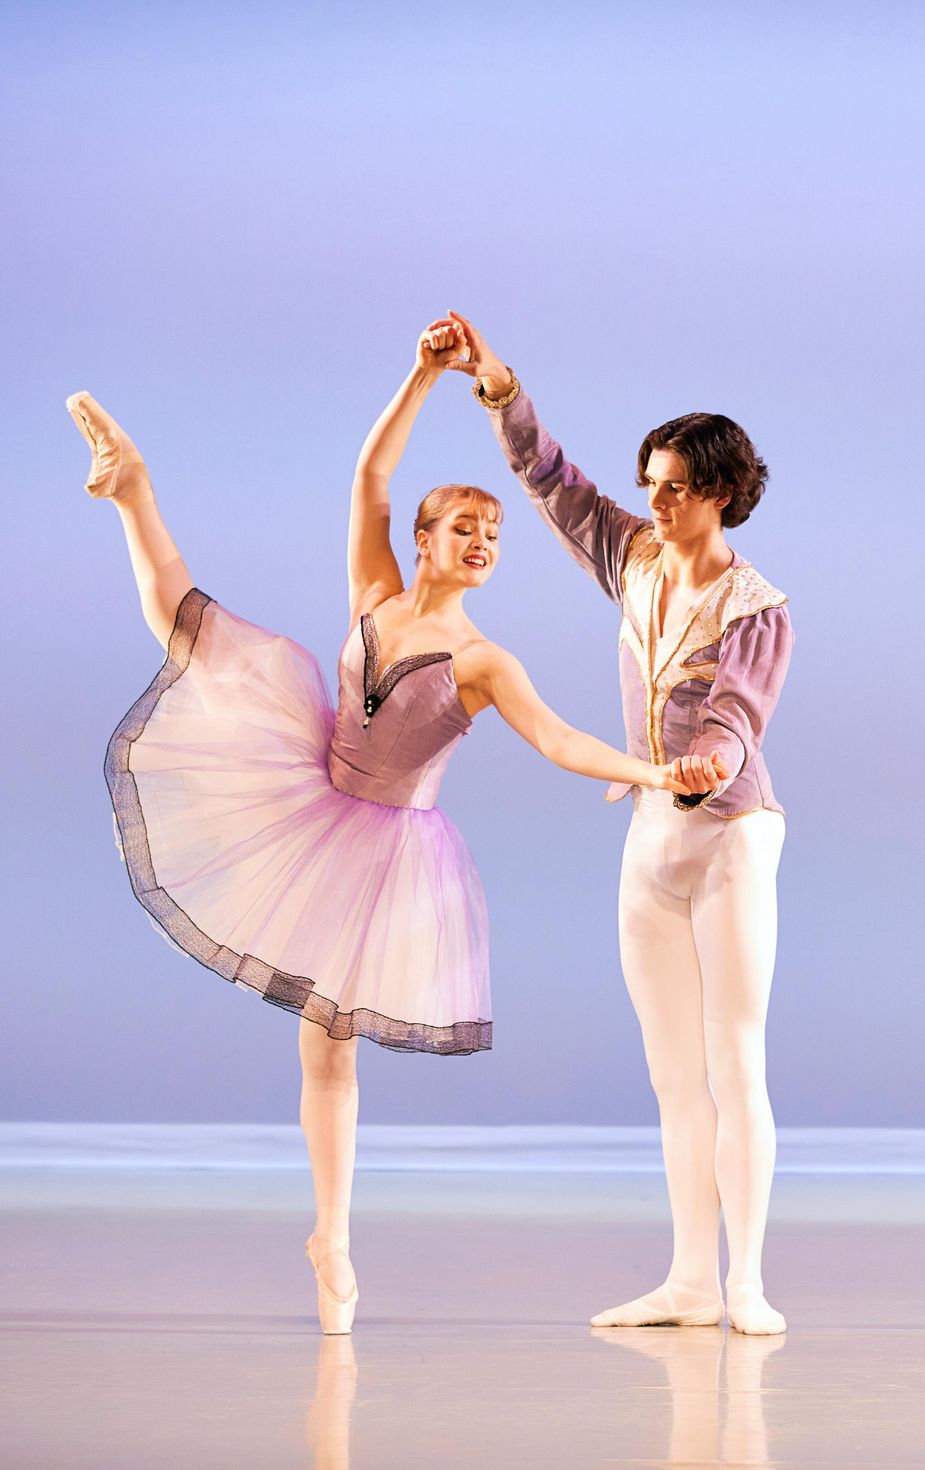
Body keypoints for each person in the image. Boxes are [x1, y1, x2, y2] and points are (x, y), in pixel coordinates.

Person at [65, 322, 710, 1337]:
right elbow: (371, 468)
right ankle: (132, 486)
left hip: (384, 850)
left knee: (330, 1048)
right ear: (422, 540)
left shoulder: (482, 662)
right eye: (463, 528)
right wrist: (420, 374)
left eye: (492, 536)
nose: (481, 544)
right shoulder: (373, 591)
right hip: (305, 786)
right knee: (193, 631)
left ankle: (332, 1237)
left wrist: (650, 771)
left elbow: (558, 739)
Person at [439, 310, 794, 1336]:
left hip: (730, 836)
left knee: (735, 1058)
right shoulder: (633, 556)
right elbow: (551, 481)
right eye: (649, 482)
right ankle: (688, 1278)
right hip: (650, 835)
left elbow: (735, 717)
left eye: (674, 486)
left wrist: (702, 768)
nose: (653, 499)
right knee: (670, 1070)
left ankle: (745, 1282)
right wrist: (495, 382)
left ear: (719, 494)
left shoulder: (755, 606)